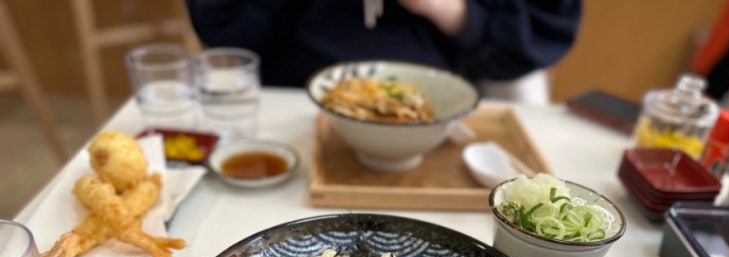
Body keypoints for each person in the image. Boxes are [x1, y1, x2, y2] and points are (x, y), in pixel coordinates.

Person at [184, 0, 582, 96]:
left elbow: (543, 28)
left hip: (442, 104)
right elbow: (230, 31)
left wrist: (449, 10)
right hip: (293, 98)